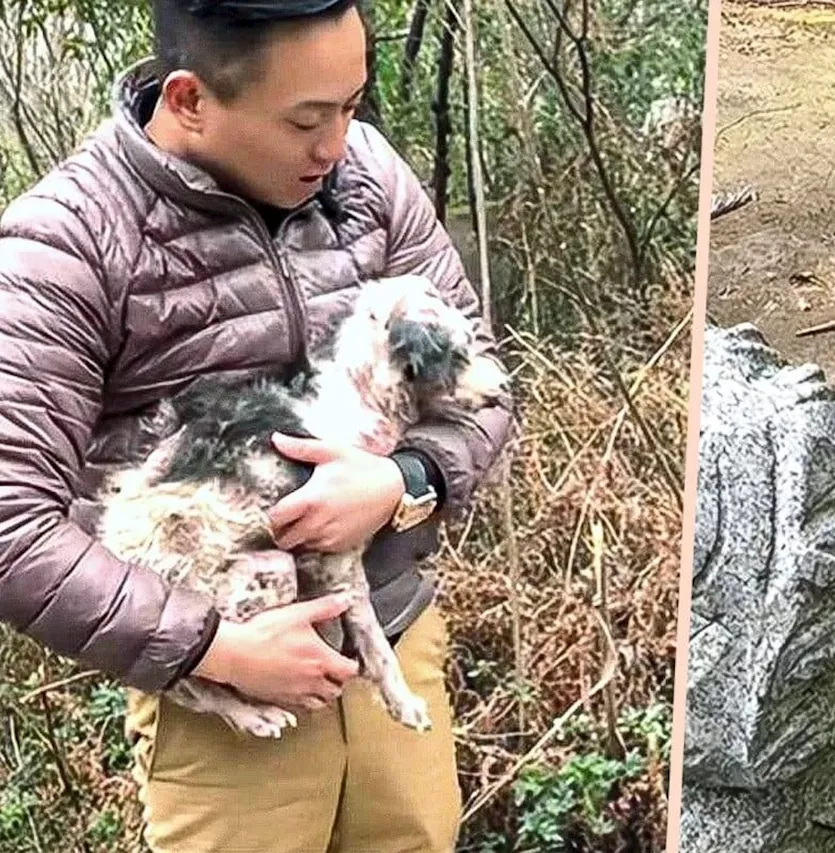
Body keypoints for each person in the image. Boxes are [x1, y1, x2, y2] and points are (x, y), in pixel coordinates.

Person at [0, 0, 515, 850]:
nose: (339, 144)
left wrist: (405, 481)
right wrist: (214, 650)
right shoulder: (65, 244)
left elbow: (486, 384)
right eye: (309, 119)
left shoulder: (368, 179)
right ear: (191, 99)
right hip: (225, 698)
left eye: (354, 105)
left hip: (387, 627)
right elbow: (11, 522)